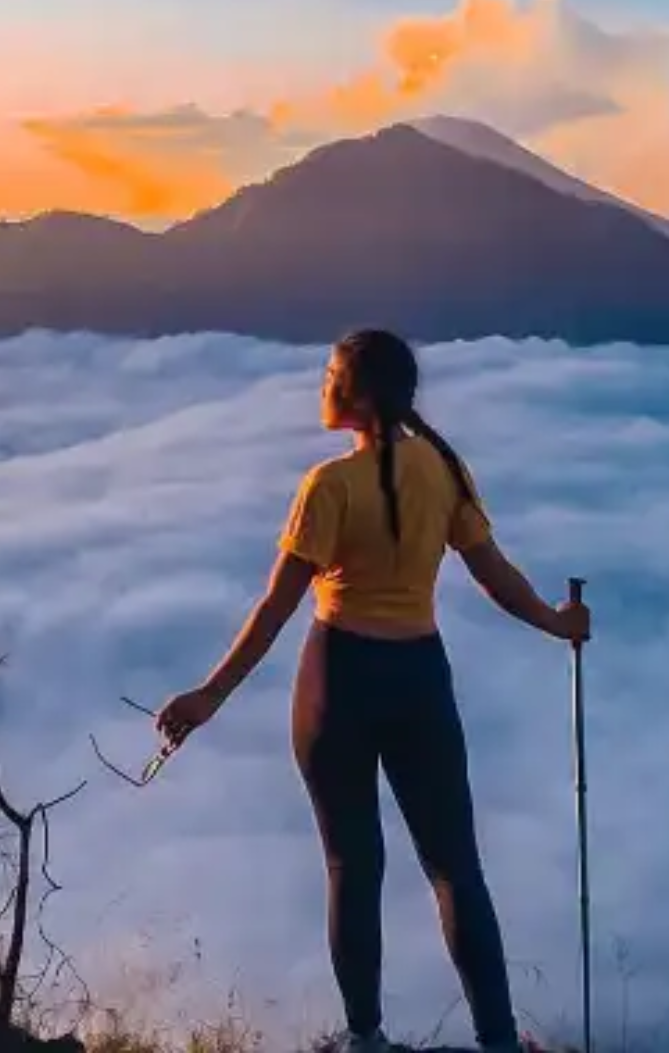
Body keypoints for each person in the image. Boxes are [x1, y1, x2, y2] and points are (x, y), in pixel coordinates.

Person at [157, 327, 591, 1053]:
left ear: (357, 394)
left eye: (331, 374)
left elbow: (277, 607)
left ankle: (365, 1039)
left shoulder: (328, 487)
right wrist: (557, 622)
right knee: (456, 867)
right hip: (421, 679)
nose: (322, 385)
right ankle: (498, 1044)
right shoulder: (445, 470)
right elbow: (495, 574)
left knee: (351, 867)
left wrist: (209, 696)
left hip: (340, 680)